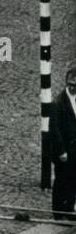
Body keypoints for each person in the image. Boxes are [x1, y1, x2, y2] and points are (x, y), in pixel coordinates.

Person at [48, 64, 76, 223]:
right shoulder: (58, 103)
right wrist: (61, 151)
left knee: (73, 179)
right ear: (66, 83)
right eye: (71, 85)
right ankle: (58, 212)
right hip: (64, 151)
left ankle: (69, 208)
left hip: (75, 149)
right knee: (61, 180)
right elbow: (55, 130)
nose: (73, 88)